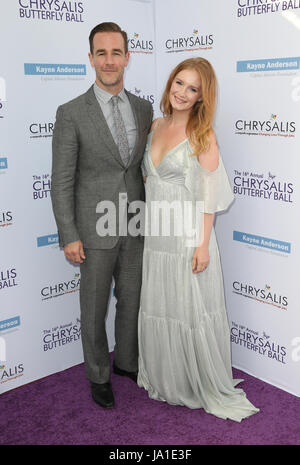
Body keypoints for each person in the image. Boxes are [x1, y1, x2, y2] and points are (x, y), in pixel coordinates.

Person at [137, 57, 259, 421]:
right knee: (162, 306)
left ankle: (193, 382)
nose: (182, 93)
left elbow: (210, 196)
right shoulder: (156, 125)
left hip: (189, 238)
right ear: (170, 83)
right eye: (179, 83)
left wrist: (203, 244)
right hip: (158, 235)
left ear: (202, 97)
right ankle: (166, 376)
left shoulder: (203, 135)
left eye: (193, 89)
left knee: (188, 311)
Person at [51, 22, 153, 409]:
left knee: (132, 300)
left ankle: (127, 362)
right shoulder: (72, 113)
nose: (109, 61)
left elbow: (142, 168)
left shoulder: (144, 109)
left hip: (135, 224)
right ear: (91, 58)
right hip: (92, 231)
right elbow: (61, 180)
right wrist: (69, 234)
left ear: (128, 57)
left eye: (116, 53)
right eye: (101, 53)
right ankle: (98, 374)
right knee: (93, 308)